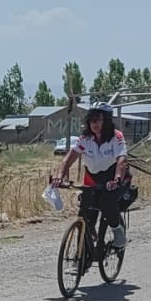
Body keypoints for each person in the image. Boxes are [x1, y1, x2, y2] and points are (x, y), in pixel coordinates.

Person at [54, 102, 131, 248]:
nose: (94, 124)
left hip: (114, 177)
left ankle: (117, 230)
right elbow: (67, 160)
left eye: (98, 120)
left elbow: (121, 160)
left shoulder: (116, 137)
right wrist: (60, 176)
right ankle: (82, 256)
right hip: (93, 178)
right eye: (91, 120)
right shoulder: (85, 139)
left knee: (106, 202)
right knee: (85, 214)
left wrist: (117, 179)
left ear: (106, 121)